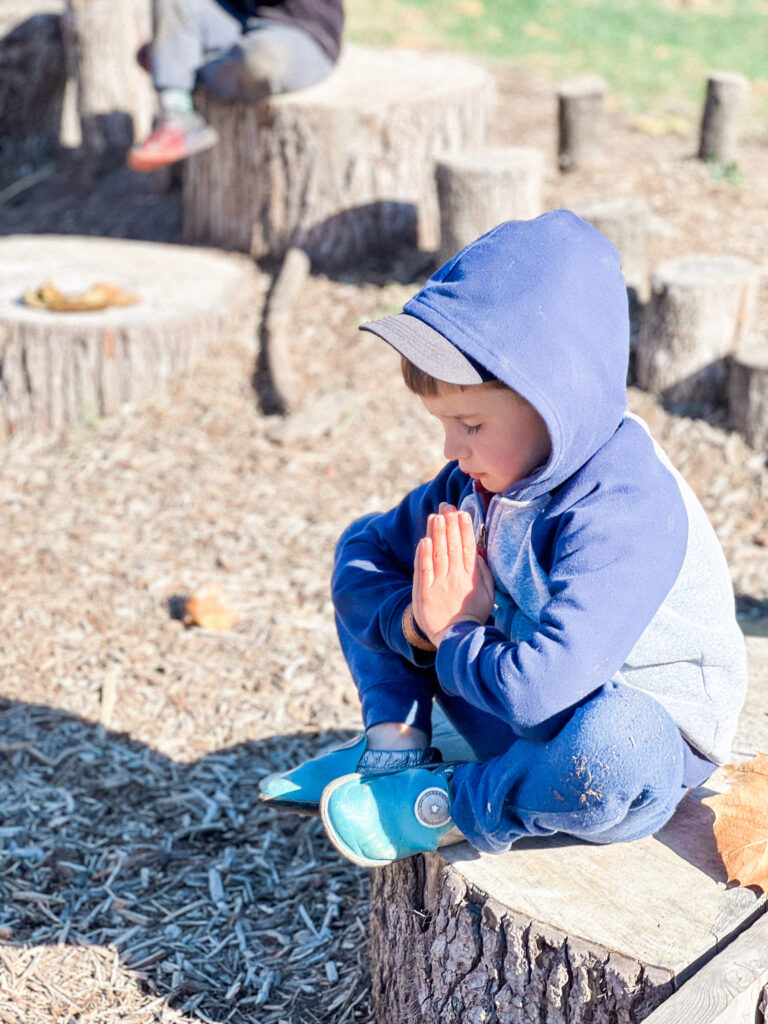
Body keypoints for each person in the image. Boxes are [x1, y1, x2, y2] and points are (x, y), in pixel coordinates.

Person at [260, 209, 747, 868]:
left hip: (624, 733)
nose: (451, 449)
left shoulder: (624, 509)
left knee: (616, 751)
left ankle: (454, 800)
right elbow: (366, 556)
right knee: (375, 558)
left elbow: (546, 688)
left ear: (554, 400)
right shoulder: (484, 480)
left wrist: (455, 633)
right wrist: (415, 625)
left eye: (469, 423)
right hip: (506, 688)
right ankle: (397, 749)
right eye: (443, 423)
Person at [128, 0, 343, 172]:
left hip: (301, 31)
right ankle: (176, 113)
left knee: (261, 60)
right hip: (238, 18)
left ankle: (183, 65)